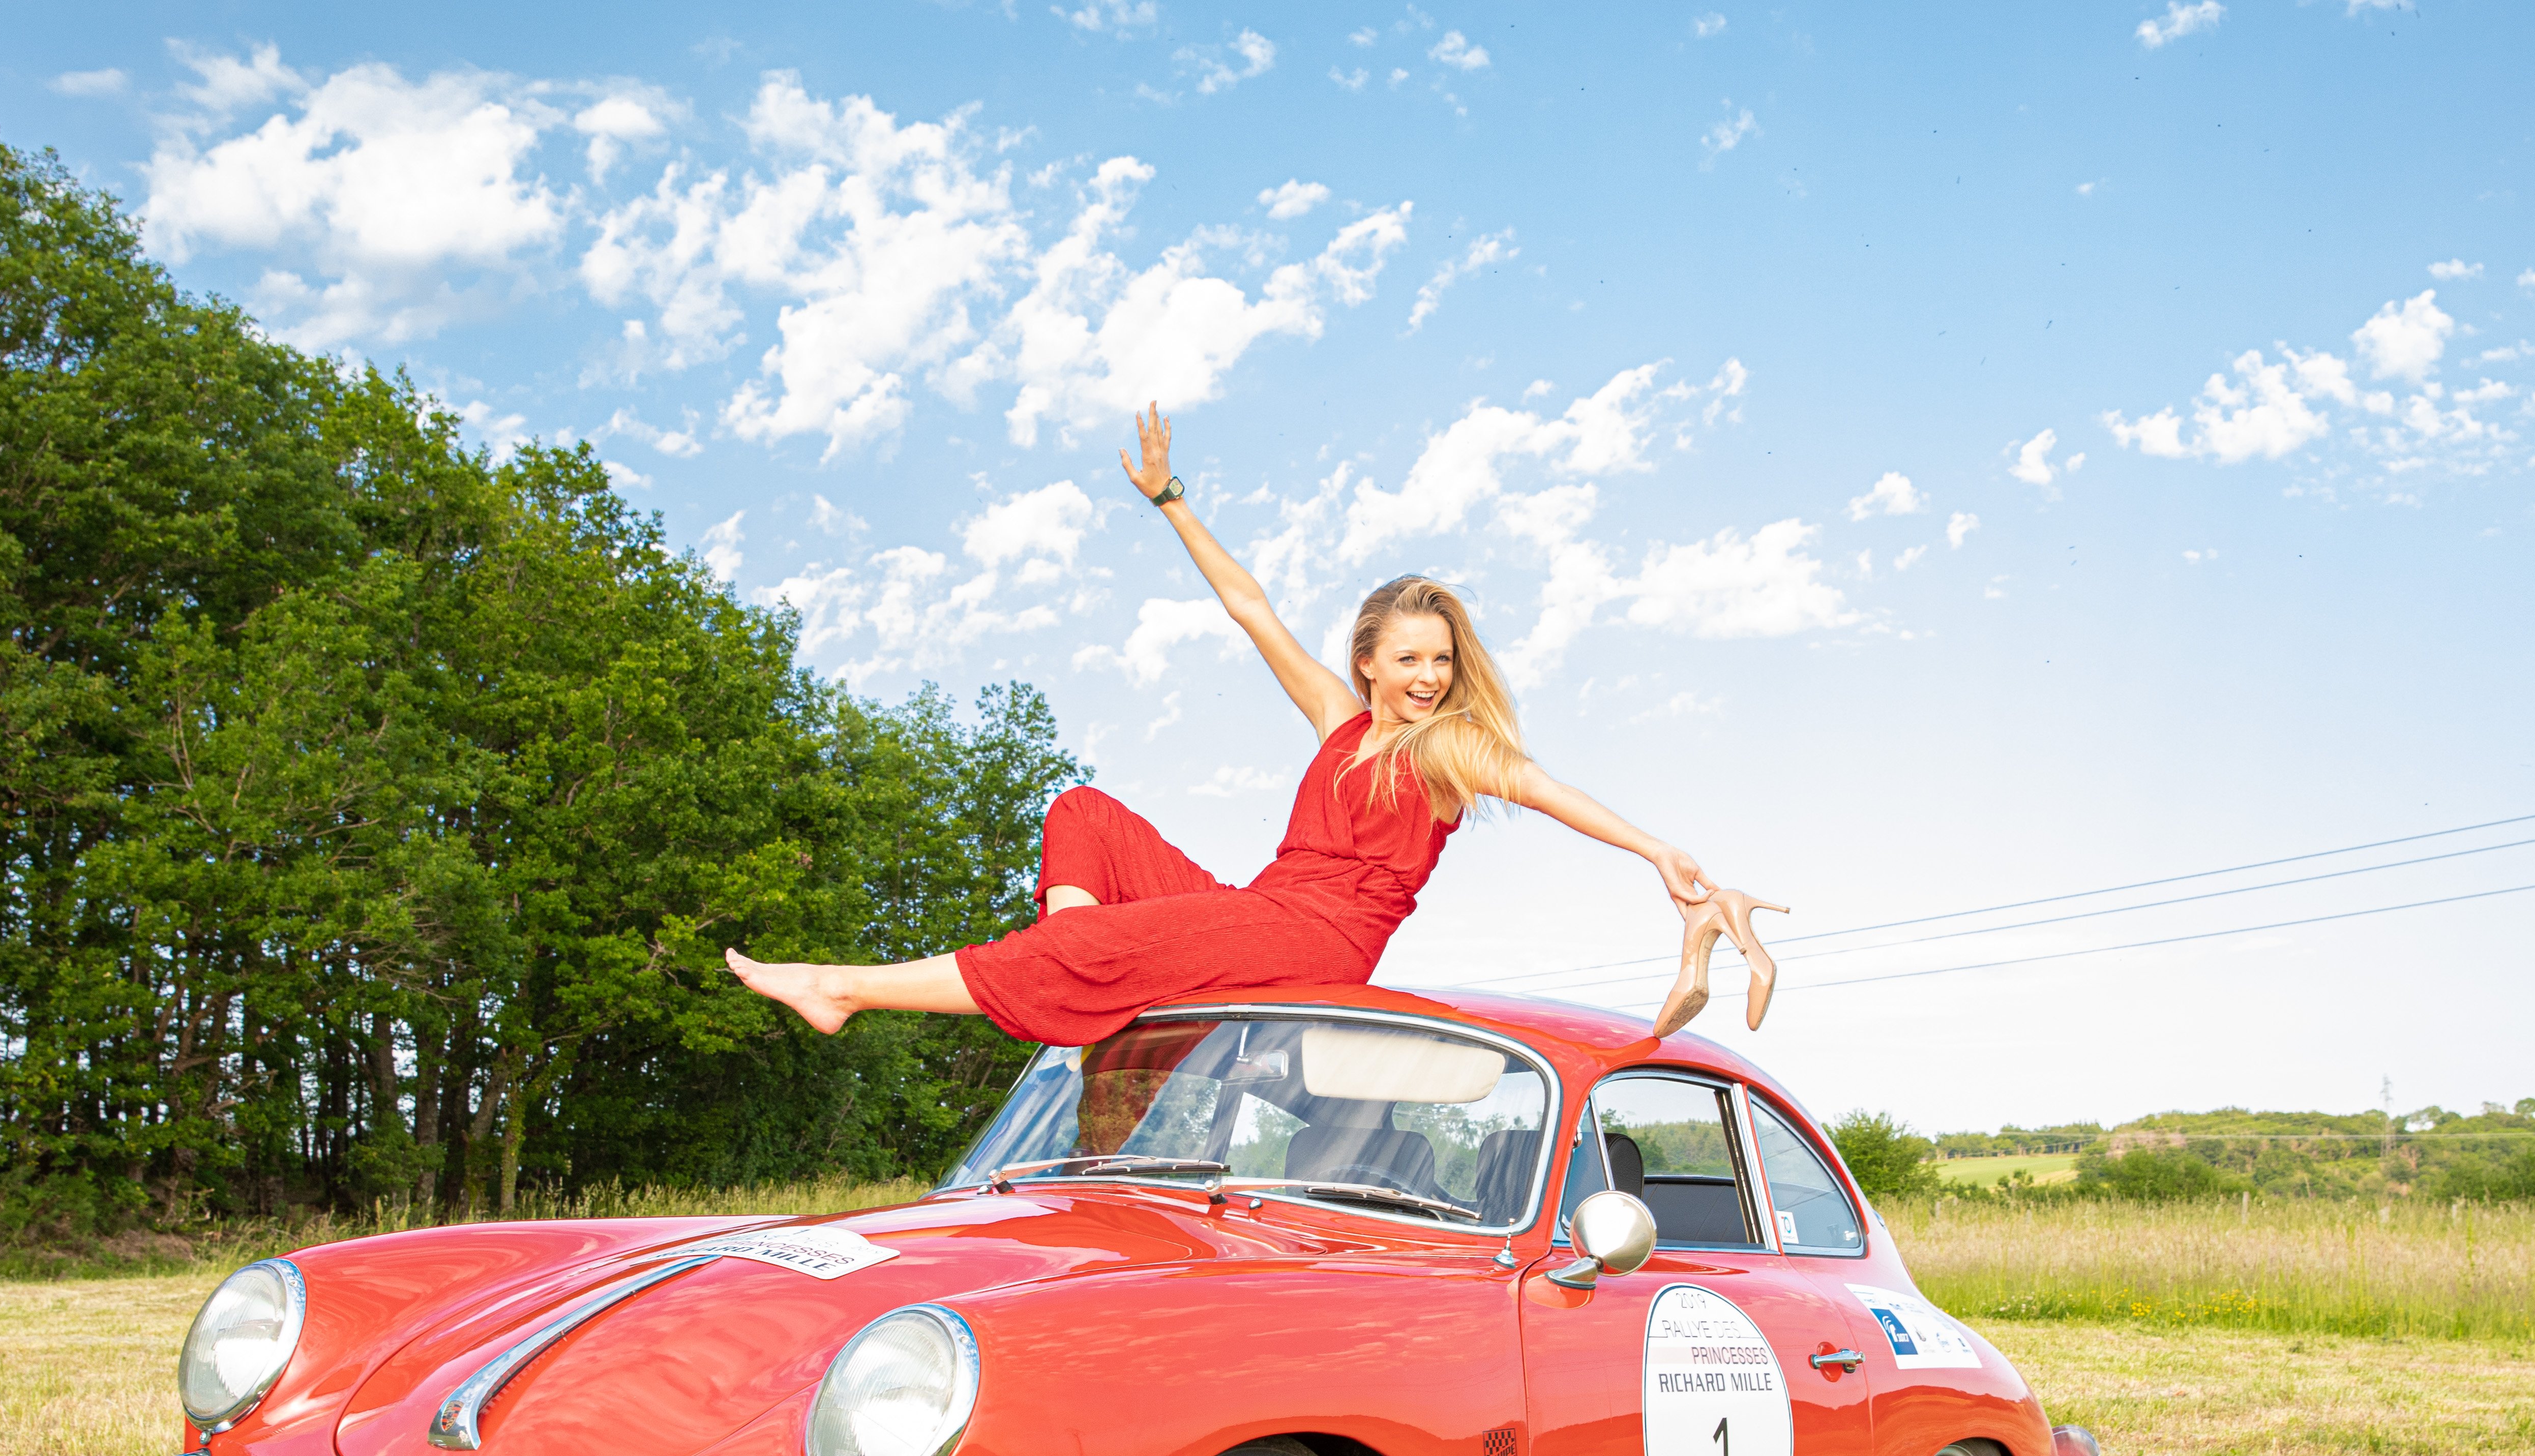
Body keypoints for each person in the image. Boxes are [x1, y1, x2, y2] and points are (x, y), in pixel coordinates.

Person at [727, 403, 1780, 1047]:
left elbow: (1552, 791)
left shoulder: (1448, 748)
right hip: (1260, 910)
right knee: (1082, 811)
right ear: (1366, 662)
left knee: (1092, 941)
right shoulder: (1335, 715)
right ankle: (1078, 968)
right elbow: (1250, 609)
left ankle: (841, 991)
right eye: (1407, 660)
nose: (1426, 678)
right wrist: (1170, 499)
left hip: (1319, 941)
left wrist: (1659, 855)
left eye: (1442, 663)